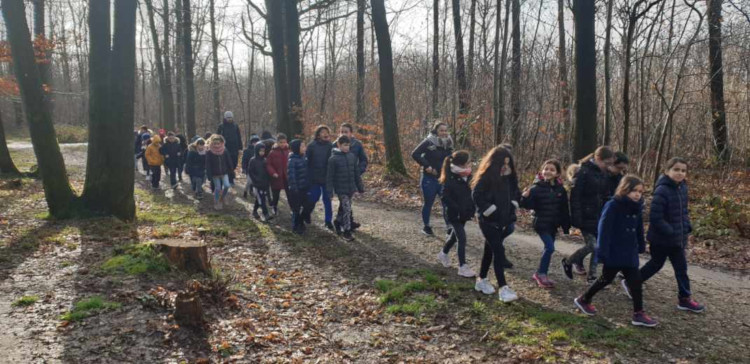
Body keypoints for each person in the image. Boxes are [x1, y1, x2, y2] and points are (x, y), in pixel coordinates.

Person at [573, 175, 659, 328]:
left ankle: (638, 313)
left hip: (630, 250)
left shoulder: (637, 206)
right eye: (634, 190)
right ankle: (584, 299)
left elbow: (639, 228)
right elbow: (604, 229)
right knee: (605, 278)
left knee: (636, 281)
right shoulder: (613, 205)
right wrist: (602, 251)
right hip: (614, 250)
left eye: (640, 191)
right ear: (624, 189)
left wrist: (641, 244)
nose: (637, 194)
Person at [629, 157, 705, 313]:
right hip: (661, 239)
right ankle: (633, 282)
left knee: (681, 268)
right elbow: (655, 217)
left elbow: (683, 211)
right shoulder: (662, 190)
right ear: (667, 171)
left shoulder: (682, 188)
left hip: (677, 238)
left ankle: (684, 299)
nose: (680, 173)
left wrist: (687, 225)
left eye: (683, 170)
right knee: (656, 264)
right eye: (676, 169)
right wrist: (670, 230)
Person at [472, 146, 521, 303]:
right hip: (488, 221)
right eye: (503, 162)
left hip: (503, 220)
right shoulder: (486, 176)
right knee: (498, 251)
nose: (506, 166)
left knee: (489, 250)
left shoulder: (510, 177)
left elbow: (516, 193)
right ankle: (503, 288)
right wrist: (490, 210)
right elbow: (476, 194)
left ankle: (481, 279)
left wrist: (513, 204)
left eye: (508, 162)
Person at [562, 146, 615, 284]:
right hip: (585, 215)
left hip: (599, 215)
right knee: (593, 245)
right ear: (597, 159)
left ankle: (592, 276)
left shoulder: (604, 174)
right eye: (606, 163)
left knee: (598, 246)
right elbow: (575, 197)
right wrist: (576, 218)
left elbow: (605, 194)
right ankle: (568, 261)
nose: (608, 166)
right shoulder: (583, 172)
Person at [520, 159, 571, 288]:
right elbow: (527, 205)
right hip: (541, 223)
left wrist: (566, 227)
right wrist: (524, 197)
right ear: (542, 171)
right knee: (550, 248)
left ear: (558, 173)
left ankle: (541, 273)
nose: (548, 171)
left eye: (552, 169)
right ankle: (541, 274)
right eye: (546, 169)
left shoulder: (561, 190)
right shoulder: (536, 188)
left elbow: (564, 209)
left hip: (553, 225)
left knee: (548, 249)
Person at [436, 150, 476, 278]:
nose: (470, 165)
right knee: (462, 238)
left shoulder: (468, 175)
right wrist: (457, 209)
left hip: (465, 213)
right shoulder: (450, 178)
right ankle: (462, 266)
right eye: (468, 163)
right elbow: (445, 197)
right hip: (454, 214)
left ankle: (443, 253)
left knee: (454, 237)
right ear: (461, 164)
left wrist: (471, 208)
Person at [411, 121, 453, 236]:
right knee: (429, 203)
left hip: (444, 178)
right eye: (441, 130)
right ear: (436, 131)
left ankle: (449, 227)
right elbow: (415, 154)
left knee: (446, 203)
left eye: (445, 130)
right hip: (429, 178)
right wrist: (427, 166)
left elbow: (450, 159)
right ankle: (426, 227)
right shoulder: (428, 141)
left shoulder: (449, 142)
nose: (444, 132)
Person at [326, 135, 365, 241]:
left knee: (343, 208)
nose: (346, 147)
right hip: (340, 189)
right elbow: (329, 177)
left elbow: (356, 173)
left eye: (348, 145)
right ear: (339, 145)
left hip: (351, 188)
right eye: (344, 145)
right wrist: (329, 192)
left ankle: (337, 222)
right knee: (347, 208)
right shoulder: (333, 159)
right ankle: (346, 231)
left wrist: (360, 187)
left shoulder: (352, 157)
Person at [334, 123, 368, 231]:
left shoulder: (357, 144)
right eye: (341, 131)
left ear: (351, 133)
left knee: (347, 201)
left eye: (346, 131)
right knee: (345, 201)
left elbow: (363, 160)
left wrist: (358, 171)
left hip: (352, 177)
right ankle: (345, 224)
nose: (343, 133)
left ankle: (341, 220)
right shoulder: (335, 144)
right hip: (339, 178)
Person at [306, 125, 335, 230]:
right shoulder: (311, 146)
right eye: (323, 132)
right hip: (314, 178)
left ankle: (328, 221)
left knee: (327, 200)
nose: (325, 133)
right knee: (313, 197)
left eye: (327, 132)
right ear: (318, 134)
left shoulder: (331, 146)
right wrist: (307, 176)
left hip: (327, 178)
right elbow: (306, 162)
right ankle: (307, 213)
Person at [205, 134, 234, 210]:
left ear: (221, 143)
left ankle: (222, 197)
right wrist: (209, 175)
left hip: (224, 172)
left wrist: (232, 170)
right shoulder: (209, 152)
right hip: (215, 174)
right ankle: (217, 201)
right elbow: (208, 164)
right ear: (212, 143)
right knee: (217, 188)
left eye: (218, 143)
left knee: (227, 185)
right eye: (215, 144)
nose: (217, 145)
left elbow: (229, 160)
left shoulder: (224, 150)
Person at [287, 139, 310, 235]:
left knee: (306, 206)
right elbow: (291, 176)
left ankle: (301, 222)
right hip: (296, 189)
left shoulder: (304, 158)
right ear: (297, 148)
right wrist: (294, 188)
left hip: (304, 187)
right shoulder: (292, 160)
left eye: (305, 146)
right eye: (302, 146)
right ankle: (295, 226)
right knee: (296, 209)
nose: (305, 148)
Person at [266, 133, 290, 216]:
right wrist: (273, 173)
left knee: (290, 194)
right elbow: (268, 164)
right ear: (277, 142)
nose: (282, 144)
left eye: (284, 142)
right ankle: (274, 207)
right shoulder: (272, 152)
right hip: (276, 177)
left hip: (287, 177)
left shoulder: (288, 151)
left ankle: (293, 209)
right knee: (275, 194)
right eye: (280, 142)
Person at [248, 142, 272, 222]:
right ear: (256, 151)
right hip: (256, 184)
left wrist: (268, 180)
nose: (262, 152)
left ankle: (254, 211)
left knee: (259, 199)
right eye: (260, 151)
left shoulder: (265, 160)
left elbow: (267, 171)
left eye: (263, 151)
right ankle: (266, 214)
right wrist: (255, 180)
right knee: (262, 199)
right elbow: (250, 172)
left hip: (264, 183)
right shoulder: (253, 160)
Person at [217, 111, 243, 185]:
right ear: (225, 118)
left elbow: (239, 137)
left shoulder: (235, 126)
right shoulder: (221, 126)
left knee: (234, 164)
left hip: (234, 148)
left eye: (231, 118)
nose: (229, 119)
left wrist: (240, 148)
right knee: (227, 164)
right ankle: (230, 179)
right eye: (228, 118)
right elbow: (217, 137)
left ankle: (230, 176)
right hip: (225, 149)